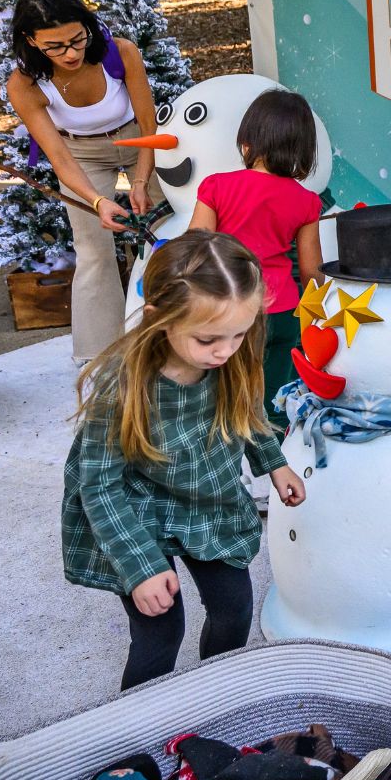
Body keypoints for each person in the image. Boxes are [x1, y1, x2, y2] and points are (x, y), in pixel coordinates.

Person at [62, 230, 307, 690]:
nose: (226, 350)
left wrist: (274, 463)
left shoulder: (231, 358)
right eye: (208, 338)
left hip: (206, 495)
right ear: (159, 319)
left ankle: (213, 696)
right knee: (161, 630)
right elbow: (99, 485)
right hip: (136, 506)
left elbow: (246, 415)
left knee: (234, 610)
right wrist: (140, 566)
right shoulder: (123, 384)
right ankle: (139, 723)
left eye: (239, 333)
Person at [3, 0, 161, 363]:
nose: (71, 53)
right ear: (31, 41)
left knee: (167, 229)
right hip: (79, 152)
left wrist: (141, 180)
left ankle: (171, 331)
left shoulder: (120, 51)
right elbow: (59, 157)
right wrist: (98, 201)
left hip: (138, 139)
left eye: (77, 39)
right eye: (55, 46)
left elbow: (149, 123)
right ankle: (99, 356)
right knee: (93, 250)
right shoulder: (24, 84)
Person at [185, 88, 325, 416]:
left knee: (222, 397)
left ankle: (227, 443)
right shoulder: (307, 202)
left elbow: (195, 248)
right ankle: (274, 446)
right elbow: (311, 271)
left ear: (247, 141)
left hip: (228, 308)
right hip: (283, 313)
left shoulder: (216, 187)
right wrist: (320, 316)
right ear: (302, 148)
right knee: (273, 400)